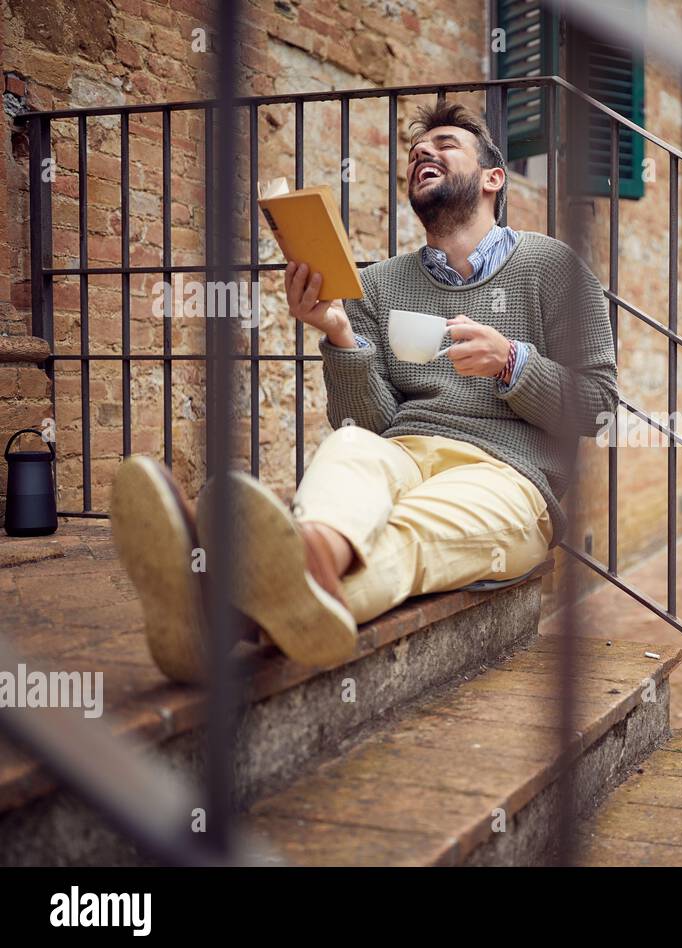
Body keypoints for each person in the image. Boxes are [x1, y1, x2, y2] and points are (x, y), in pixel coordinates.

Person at [111, 102, 617, 682]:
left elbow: (599, 405)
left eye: (446, 144)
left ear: (492, 179)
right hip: (398, 451)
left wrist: (512, 363)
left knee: (411, 532)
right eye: (415, 153)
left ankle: (227, 600)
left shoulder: (554, 267)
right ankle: (291, 568)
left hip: (509, 475)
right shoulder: (376, 285)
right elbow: (368, 423)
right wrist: (340, 335)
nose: (423, 154)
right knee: (349, 451)